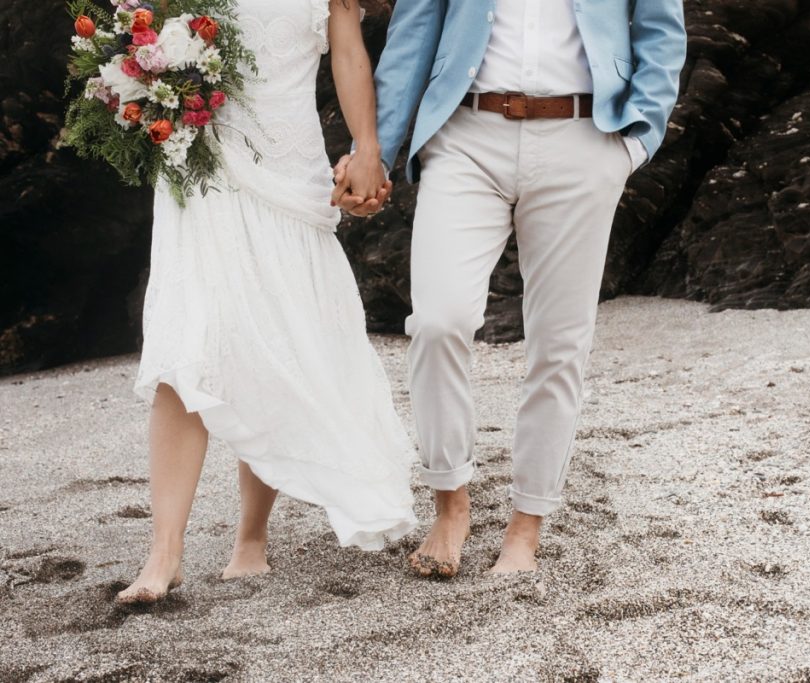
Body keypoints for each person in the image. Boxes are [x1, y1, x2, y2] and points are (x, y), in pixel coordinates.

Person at [334, 0, 687, 576]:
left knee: (559, 343)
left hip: (584, 138)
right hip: (466, 136)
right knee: (438, 321)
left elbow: (662, 33)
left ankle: (526, 526)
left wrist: (635, 143)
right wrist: (377, 152)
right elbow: (414, 31)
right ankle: (450, 504)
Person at [117, 0, 415, 604]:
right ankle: (163, 554)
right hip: (199, 170)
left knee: (272, 340)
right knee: (186, 344)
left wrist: (366, 147)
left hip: (288, 175)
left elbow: (350, 54)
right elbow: (145, 29)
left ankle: (251, 541)